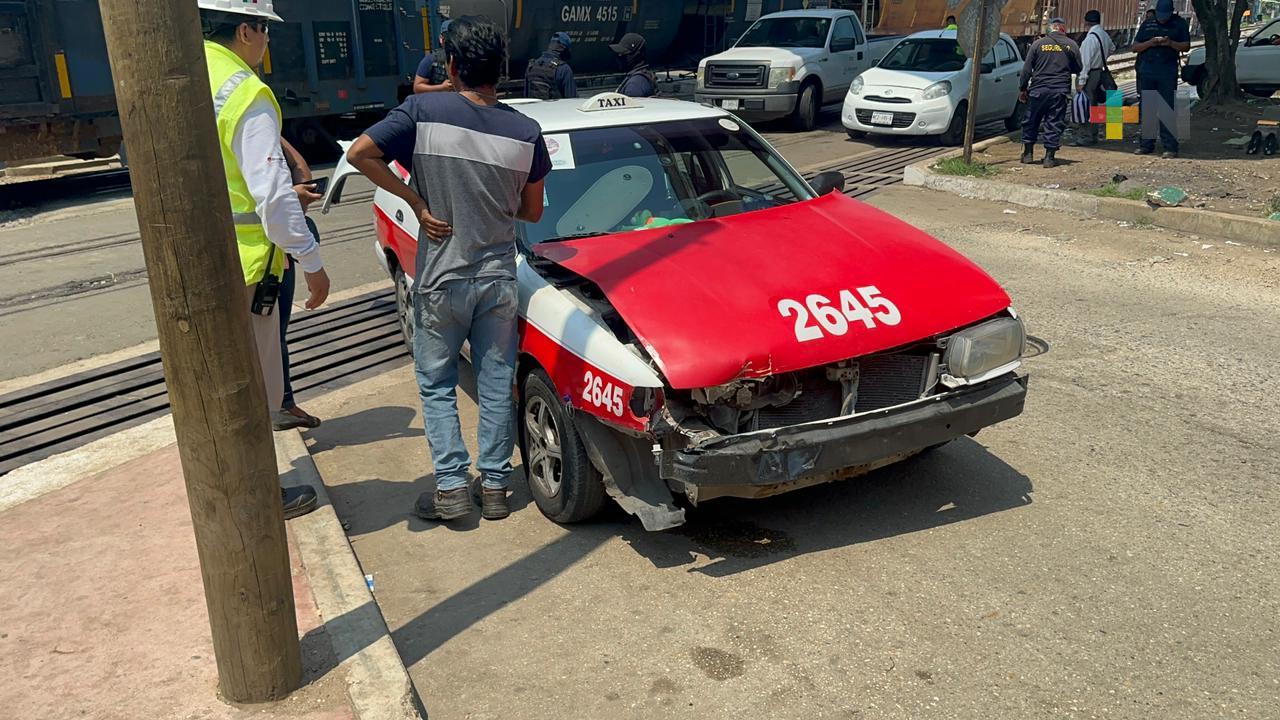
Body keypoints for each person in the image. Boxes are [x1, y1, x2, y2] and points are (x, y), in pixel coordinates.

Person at [347, 16, 551, 522]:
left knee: (437, 383)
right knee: (496, 379)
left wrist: (416, 202)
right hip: (498, 278)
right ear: (498, 70)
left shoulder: (422, 109)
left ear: (452, 66)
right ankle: (498, 488)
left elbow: (360, 154)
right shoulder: (526, 131)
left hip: (441, 278)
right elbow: (533, 212)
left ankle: (453, 489)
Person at [198, 0, 330, 519]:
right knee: (256, 390)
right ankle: (256, 497)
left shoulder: (194, 70)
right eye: (266, 32)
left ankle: (229, 489)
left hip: (206, 258)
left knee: (220, 383)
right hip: (250, 265)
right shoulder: (247, 91)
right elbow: (273, 199)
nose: (268, 43)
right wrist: (313, 261)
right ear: (247, 29)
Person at [275, 138, 323, 431]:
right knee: (271, 335)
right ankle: (281, 405)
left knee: (273, 335)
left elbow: (302, 173)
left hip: (272, 251)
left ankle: (283, 403)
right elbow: (300, 173)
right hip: (262, 256)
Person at [1018, 18, 1082, 168]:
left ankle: (1028, 154)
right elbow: (1079, 67)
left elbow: (1026, 70)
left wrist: (1022, 89)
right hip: (1059, 92)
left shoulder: (1037, 44)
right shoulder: (1071, 45)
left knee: (1031, 121)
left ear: (1049, 29)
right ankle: (1049, 158)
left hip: (1038, 90)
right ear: (1063, 29)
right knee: (1054, 123)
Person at [1132, 0, 1190, 158]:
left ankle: (1170, 147)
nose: (1162, 18)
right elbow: (1135, 47)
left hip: (1167, 71)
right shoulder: (1147, 24)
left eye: (1165, 15)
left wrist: (1170, 43)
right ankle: (1146, 144)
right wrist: (1150, 43)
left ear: (1171, 12)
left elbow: (1186, 46)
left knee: (1167, 109)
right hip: (1148, 70)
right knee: (1148, 109)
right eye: (1160, 15)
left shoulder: (1179, 24)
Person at [1073, 9, 1117, 146]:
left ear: (1086, 22)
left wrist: (1081, 81)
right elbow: (1112, 48)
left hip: (1090, 74)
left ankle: (1085, 137)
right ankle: (1093, 135)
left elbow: (1085, 63)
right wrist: (1101, 59)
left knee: (1085, 105)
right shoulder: (1103, 34)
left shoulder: (1090, 39)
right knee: (1094, 106)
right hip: (1099, 72)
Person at [525, 31, 577, 100]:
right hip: (557, 110)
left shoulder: (531, 66)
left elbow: (526, 97)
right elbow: (572, 100)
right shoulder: (563, 69)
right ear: (564, 50)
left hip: (533, 110)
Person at [413, 19, 453, 94]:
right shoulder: (431, 60)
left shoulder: (468, 58)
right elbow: (417, 88)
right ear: (441, 39)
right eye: (449, 37)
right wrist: (442, 87)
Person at [611, 33, 657, 97]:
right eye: (618, 54)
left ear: (636, 55)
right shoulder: (642, 76)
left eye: (622, 55)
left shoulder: (635, 85)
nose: (618, 58)